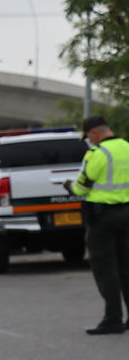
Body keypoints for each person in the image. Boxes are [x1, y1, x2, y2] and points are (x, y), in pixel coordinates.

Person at [63, 115, 129, 335]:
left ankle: (113, 319)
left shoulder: (98, 154)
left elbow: (81, 187)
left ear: (94, 133)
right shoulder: (127, 147)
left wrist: (68, 186)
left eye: (88, 137)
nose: (89, 142)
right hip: (127, 215)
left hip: (103, 219)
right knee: (126, 267)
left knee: (104, 268)